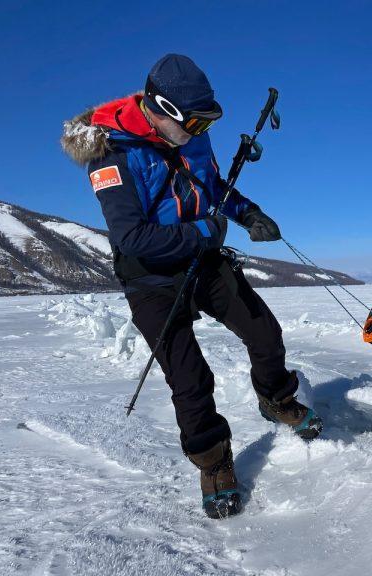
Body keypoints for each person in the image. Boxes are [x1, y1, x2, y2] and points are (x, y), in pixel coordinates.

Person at [61, 53, 322, 519]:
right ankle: (212, 459)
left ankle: (276, 398)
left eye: (209, 121)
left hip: (202, 261)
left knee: (264, 332)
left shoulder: (193, 139)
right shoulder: (112, 154)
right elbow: (131, 237)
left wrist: (247, 213)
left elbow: (213, 186)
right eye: (197, 122)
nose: (203, 131)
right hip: (151, 276)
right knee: (189, 376)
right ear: (162, 111)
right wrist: (203, 232)